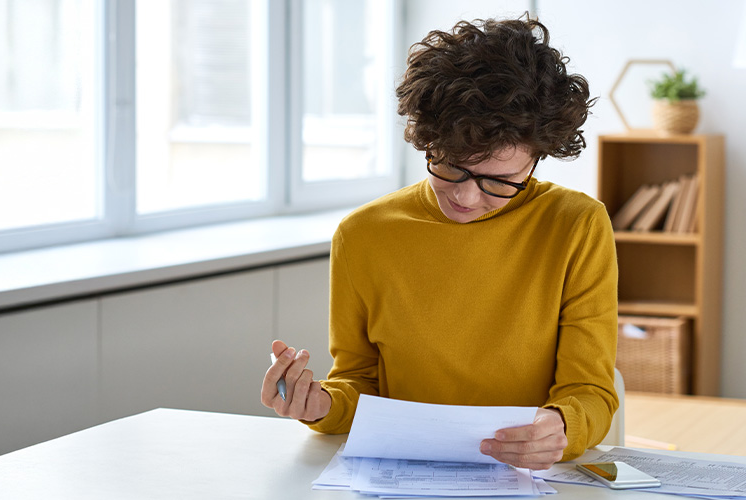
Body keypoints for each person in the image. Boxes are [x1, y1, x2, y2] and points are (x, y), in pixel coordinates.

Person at [260, 15, 617, 471]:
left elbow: (590, 391)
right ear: (427, 139)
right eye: (450, 167)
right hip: (400, 474)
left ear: (537, 158)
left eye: (500, 181)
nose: (466, 197)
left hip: (525, 477)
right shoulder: (364, 234)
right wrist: (319, 407)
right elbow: (358, 383)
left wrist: (563, 426)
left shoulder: (577, 225)